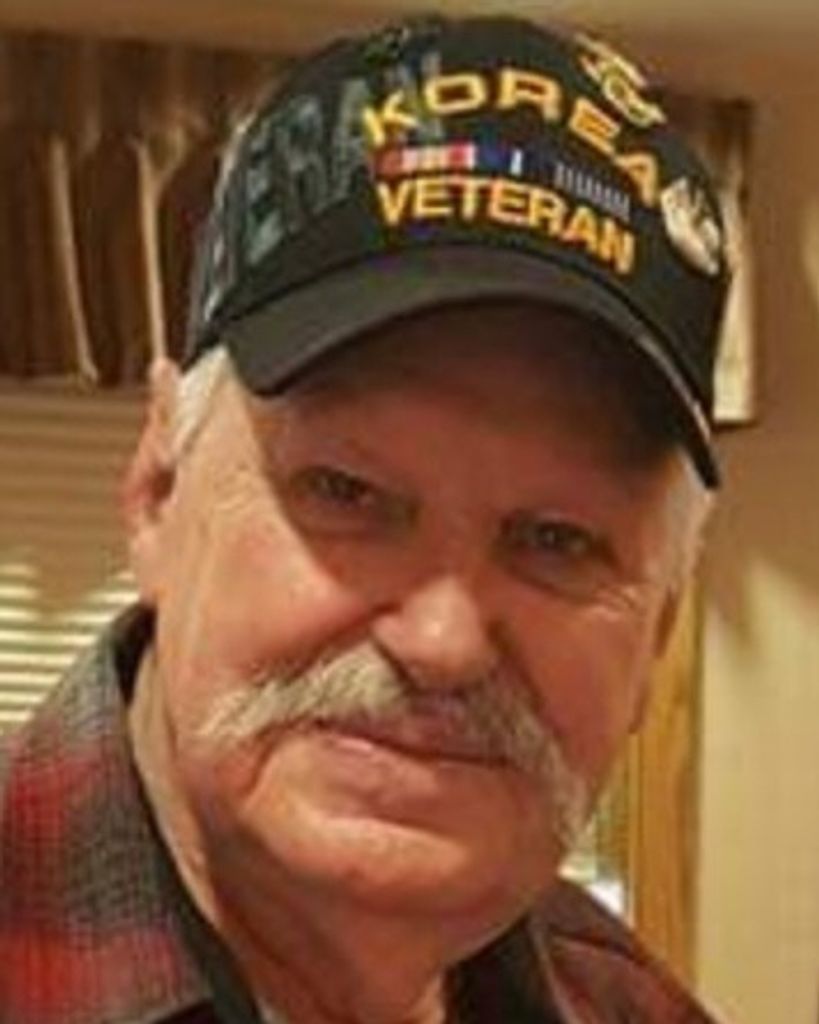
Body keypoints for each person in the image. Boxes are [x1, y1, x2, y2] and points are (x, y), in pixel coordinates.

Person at [0, 15, 731, 1024]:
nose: (442, 641)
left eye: (559, 540)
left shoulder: (626, 1006)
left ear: (655, 635)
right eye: (347, 492)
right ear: (158, 488)